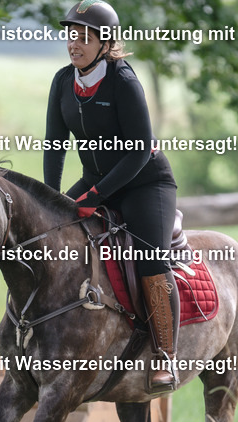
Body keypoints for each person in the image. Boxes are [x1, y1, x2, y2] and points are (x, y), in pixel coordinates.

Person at [43, 0, 180, 394]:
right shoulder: (61, 81)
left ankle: (165, 356)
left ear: (105, 43)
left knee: (151, 259)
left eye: (84, 36)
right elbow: (55, 146)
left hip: (144, 183)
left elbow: (139, 151)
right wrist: (51, 200)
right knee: (44, 235)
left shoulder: (123, 81)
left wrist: (96, 196)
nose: (75, 43)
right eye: (71, 34)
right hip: (96, 180)